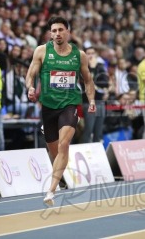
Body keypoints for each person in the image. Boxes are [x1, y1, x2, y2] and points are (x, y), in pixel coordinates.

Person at [26, 16, 96, 206]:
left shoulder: (79, 55)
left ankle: (51, 190)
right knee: (55, 152)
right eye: (54, 31)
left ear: (68, 32)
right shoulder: (41, 51)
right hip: (48, 106)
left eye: (60, 30)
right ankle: (61, 176)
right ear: (50, 33)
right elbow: (30, 74)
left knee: (64, 144)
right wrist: (30, 88)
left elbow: (88, 80)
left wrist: (91, 100)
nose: (57, 34)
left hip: (70, 104)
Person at [80, 46, 109, 143]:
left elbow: (105, 82)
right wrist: (92, 68)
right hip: (88, 102)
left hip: (100, 101)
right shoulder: (81, 67)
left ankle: (97, 154)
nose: (91, 56)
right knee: (88, 130)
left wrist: (96, 83)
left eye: (92, 53)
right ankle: (84, 152)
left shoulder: (100, 66)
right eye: (88, 53)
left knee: (98, 131)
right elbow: (87, 82)